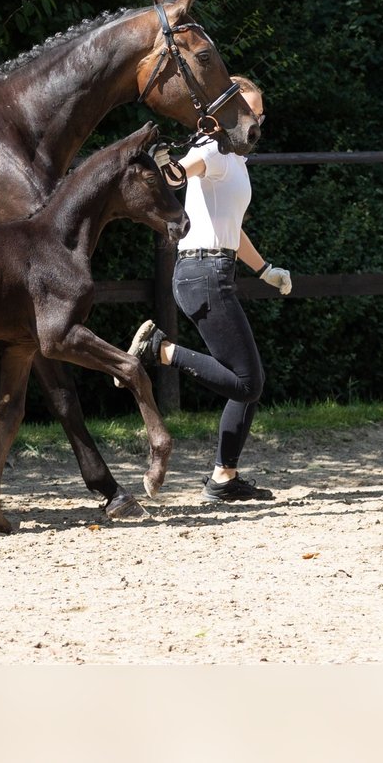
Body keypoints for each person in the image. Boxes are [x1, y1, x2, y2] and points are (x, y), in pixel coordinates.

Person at [125, 75, 291, 502]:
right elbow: (180, 173)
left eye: (259, 115)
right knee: (248, 383)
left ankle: (224, 477)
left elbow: (232, 229)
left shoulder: (236, 161)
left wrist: (265, 269)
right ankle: (161, 351)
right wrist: (167, 166)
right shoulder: (212, 149)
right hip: (203, 273)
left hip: (215, 270)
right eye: (249, 112)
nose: (255, 121)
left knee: (249, 380)